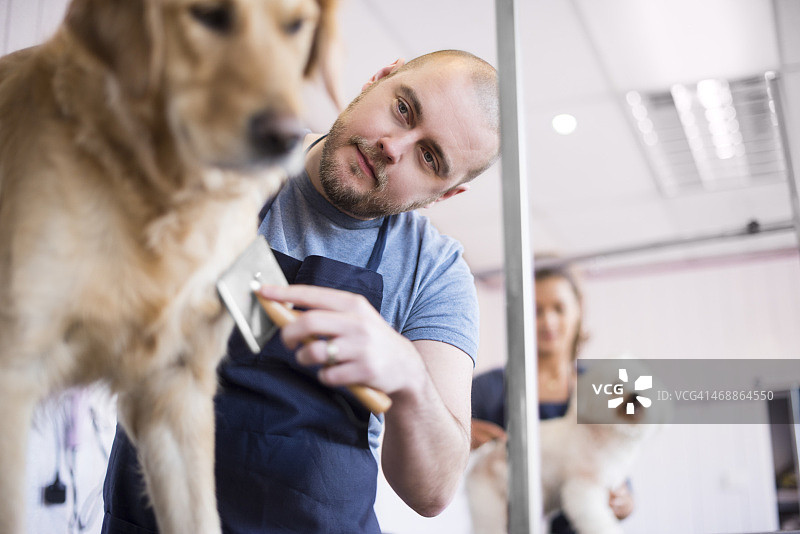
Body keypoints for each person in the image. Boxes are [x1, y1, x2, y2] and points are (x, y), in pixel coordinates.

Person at [101, 49, 500, 533]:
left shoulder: (435, 273)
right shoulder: (223, 162)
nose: (394, 146)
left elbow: (433, 492)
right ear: (379, 77)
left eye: (430, 157)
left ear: (445, 194)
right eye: (403, 109)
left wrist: (410, 381)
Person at [470, 263, 634, 533]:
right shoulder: (490, 388)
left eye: (558, 308)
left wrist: (624, 502)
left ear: (578, 310)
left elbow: (619, 466)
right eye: (536, 311)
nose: (548, 321)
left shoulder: (602, 387)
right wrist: (464, 432)